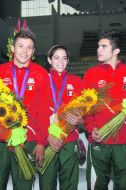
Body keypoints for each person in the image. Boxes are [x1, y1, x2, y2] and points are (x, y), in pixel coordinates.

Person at [0, 27, 51, 190]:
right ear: (13, 48)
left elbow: (44, 111)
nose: (25, 51)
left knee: (24, 185)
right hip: (0, 140)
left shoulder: (41, 74)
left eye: (29, 47)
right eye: (21, 46)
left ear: (34, 51)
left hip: (28, 140)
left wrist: (41, 142)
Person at [83, 30, 126, 189]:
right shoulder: (90, 74)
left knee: (125, 184)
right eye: (98, 46)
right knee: (99, 184)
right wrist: (91, 128)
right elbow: (86, 108)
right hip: (99, 139)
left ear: (116, 50)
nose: (98, 50)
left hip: (124, 139)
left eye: (103, 46)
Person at [39, 45, 84, 190]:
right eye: (56, 58)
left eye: (64, 58)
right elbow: (36, 114)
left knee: (70, 184)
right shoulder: (41, 80)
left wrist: (80, 120)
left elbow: (85, 112)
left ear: (68, 61)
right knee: (46, 184)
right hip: (48, 140)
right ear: (49, 60)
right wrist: (47, 137)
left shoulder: (76, 81)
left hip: (69, 140)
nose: (60, 62)